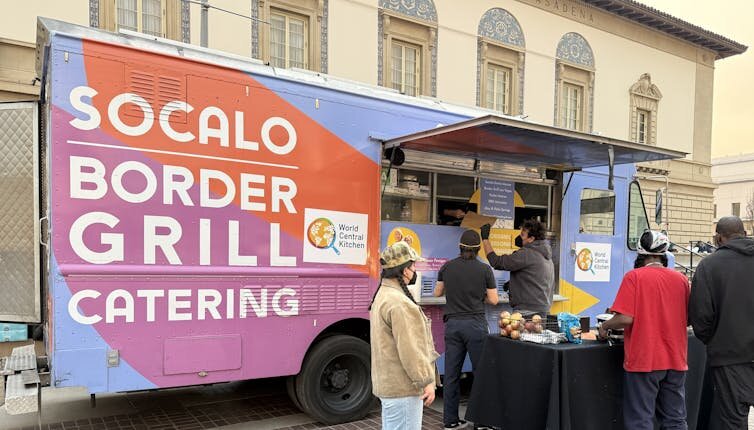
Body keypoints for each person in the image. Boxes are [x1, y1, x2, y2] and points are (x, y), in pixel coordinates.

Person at [599, 230, 690, 430]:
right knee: (675, 420)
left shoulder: (634, 277)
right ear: (664, 254)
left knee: (640, 421)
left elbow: (625, 318)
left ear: (640, 253)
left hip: (644, 359)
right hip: (676, 359)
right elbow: (688, 318)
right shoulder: (681, 280)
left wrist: (604, 326)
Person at [689, 216, 754, 429]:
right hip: (732, 354)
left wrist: (715, 340)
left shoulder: (708, 266)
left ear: (717, 238)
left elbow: (700, 317)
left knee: (732, 420)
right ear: (745, 234)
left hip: (730, 356)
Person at [433, 230, 499, 430]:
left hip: (453, 325)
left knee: (452, 374)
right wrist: (480, 297)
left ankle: (450, 421)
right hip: (475, 325)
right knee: (481, 373)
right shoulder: (485, 270)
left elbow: (437, 292)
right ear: (478, 249)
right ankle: (481, 422)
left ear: (460, 247)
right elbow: (494, 300)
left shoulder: (447, 267)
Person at [369, 241, 439, 430]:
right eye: (413, 265)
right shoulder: (400, 303)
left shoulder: (383, 295)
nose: (415, 270)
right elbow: (411, 350)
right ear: (404, 270)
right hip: (403, 389)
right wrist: (426, 381)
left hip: (390, 386)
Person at [480, 219, 554, 315]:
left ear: (531, 239)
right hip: (543, 311)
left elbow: (496, 262)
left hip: (527, 312)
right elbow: (536, 278)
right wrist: (514, 284)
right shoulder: (546, 256)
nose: (519, 237)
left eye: (522, 235)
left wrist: (485, 239)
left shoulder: (527, 254)